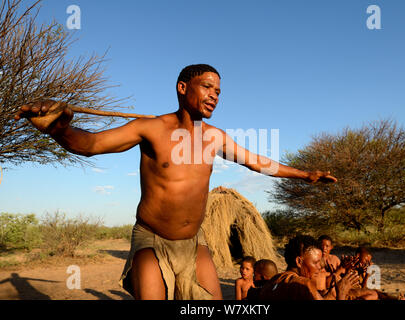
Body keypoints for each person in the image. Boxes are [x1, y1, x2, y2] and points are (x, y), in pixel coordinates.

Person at [15, 64, 337, 300]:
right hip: (152, 240)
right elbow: (89, 145)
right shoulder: (151, 128)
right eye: (208, 87)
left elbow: (258, 163)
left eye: (218, 92)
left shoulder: (214, 137)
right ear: (183, 88)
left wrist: (305, 175)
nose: (214, 95)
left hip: (194, 242)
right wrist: (57, 128)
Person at [258, 235, 359, 300]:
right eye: (315, 262)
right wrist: (341, 293)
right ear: (299, 261)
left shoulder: (274, 280)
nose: (319, 267)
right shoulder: (304, 284)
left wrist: (330, 293)